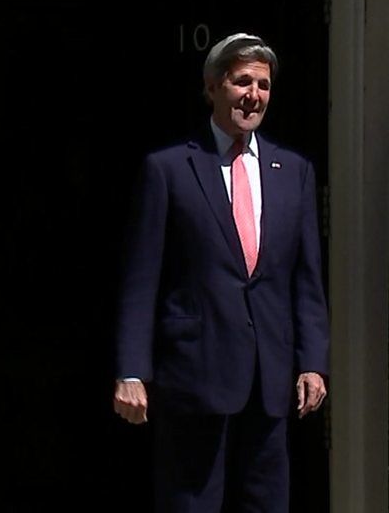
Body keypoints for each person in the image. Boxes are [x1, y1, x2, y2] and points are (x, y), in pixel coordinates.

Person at [113, 32, 330, 512]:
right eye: (241, 82)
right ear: (212, 87)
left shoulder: (293, 171)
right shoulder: (168, 169)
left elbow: (306, 278)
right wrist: (131, 370)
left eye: (264, 85)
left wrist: (312, 360)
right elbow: (141, 280)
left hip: (270, 378)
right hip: (195, 373)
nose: (254, 95)